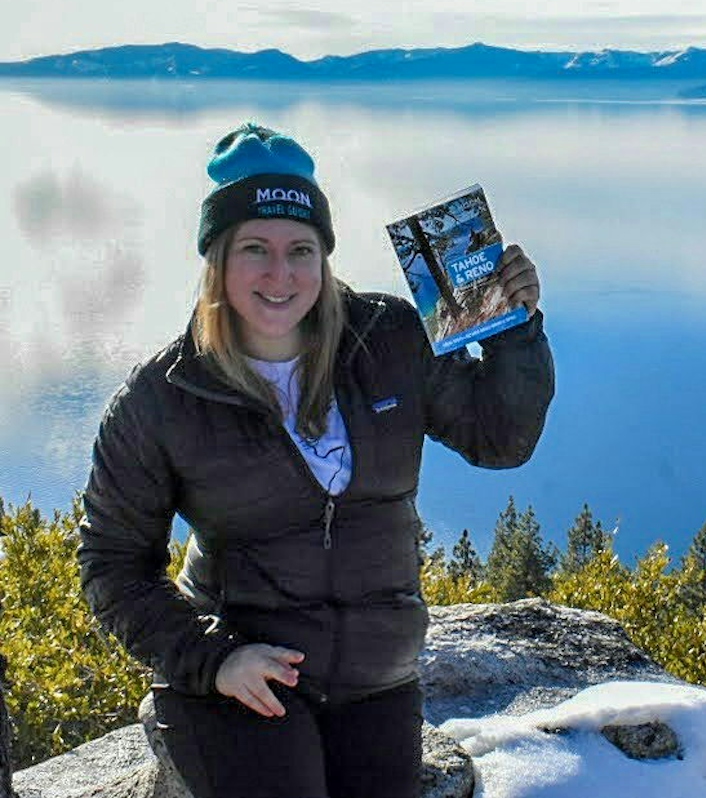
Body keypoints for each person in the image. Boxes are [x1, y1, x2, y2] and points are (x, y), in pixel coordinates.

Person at [78, 122, 555, 798]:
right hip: (246, 678)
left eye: (301, 248)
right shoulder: (163, 396)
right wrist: (213, 660)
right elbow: (111, 560)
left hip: (375, 680)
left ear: (325, 256)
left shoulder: (388, 337)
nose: (282, 274)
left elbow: (500, 440)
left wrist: (516, 329)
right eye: (255, 249)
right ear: (216, 259)